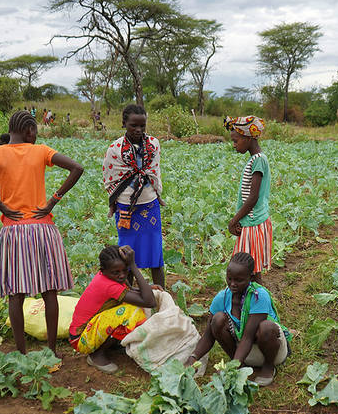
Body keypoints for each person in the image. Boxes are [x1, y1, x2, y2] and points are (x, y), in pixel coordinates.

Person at [0, 110, 84, 357]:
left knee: (15, 294)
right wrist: (52, 201)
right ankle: (51, 350)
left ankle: (21, 353)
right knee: (50, 291)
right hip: (42, 227)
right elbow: (77, 168)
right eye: (35, 130)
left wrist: (1, 205)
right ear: (30, 130)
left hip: (13, 230)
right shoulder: (41, 151)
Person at [185, 252, 290, 386]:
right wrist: (192, 359)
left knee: (266, 327)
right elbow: (208, 335)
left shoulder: (259, 296)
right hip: (243, 353)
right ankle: (240, 365)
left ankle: (268, 367)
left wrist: (232, 367)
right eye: (229, 278)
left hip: (271, 351)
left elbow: (248, 337)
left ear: (250, 277)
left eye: (239, 280)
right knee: (217, 320)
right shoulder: (222, 298)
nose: (233, 284)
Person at [103, 104, 165, 288]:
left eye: (142, 126)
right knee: (126, 254)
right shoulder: (115, 148)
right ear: (124, 124)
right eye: (133, 126)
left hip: (149, 204)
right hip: (125, 207)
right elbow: (110, 175)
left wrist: (157, 192)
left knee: (156, 253)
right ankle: (128, 297)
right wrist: (113, 202)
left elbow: (154, 171)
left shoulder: (153, 144)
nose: (138, 130)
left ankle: (161, 298)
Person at [68, 244, 157, 373]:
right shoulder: (108, 285)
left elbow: (132, 291)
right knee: (130, 312)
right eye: (116, 272)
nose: (122, 275)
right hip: (81, 339)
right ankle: (96, 355)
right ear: (103, 270)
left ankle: (112, 344)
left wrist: (149, 287)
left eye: (125, 270)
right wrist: (133, 265)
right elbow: (149, 302)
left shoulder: (109, 277)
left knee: (130, 306)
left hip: (89, 329)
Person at [224, 116, 271, 285]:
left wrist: (233, 221)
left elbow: (252, 198)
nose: (234, 145)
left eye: (236, 141)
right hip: (253, 221)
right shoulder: (256, 159)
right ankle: (254, 302)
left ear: (248, 138)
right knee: (251, 268)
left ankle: (257, 303)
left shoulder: (258, 160)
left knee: (248, 267)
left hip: (253, 223)